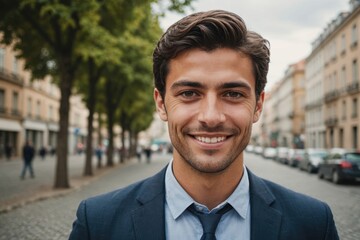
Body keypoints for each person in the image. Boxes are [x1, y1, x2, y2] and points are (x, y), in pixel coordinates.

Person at [69, 10, 339, 240]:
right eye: (189, 93)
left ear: (258, 106)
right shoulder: (97, 224)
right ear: (161, 104)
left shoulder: (314, 224)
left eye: (232, 94)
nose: (211, 117)